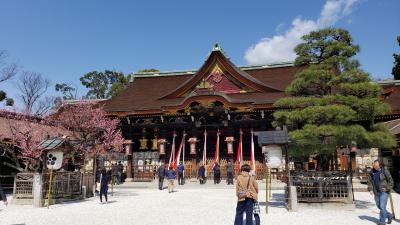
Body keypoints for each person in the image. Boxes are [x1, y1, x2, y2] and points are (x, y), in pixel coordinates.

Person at [367, 159, 394, 225]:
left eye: (376, 165)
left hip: (384, 192)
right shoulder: (371, 172)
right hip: (376, 192)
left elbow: (391, 182)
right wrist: (370, 189)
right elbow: (369, 181)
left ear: (380, 166)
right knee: (379, 206)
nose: (374, 166)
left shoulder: (385, 171)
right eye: (374, 165)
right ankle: (389, 215)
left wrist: (387, 188)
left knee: (382, 206)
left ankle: (382, 222)